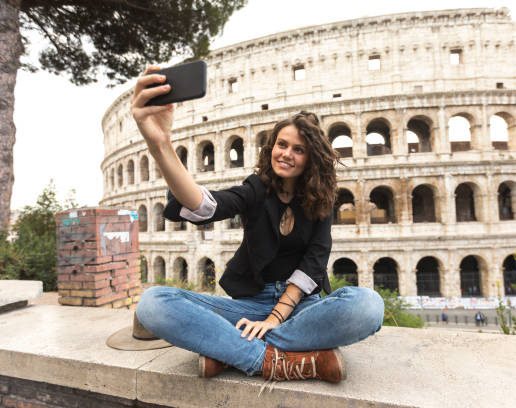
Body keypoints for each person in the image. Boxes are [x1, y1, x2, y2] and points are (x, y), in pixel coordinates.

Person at [131, 66, 384, 384]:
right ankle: (281, 360)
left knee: (368, 305)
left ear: (311, 158)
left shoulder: (322, 198)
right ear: (272, 147)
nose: (286, 154)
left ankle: (231, 352)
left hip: (301, 308)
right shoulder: (256, 188)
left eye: (298, 149)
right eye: (281, 144)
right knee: (152, 304)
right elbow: (205, 206)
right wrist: (161, 144)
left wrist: (276, 319)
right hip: (250, 306)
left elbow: (314, 261)